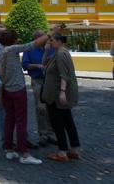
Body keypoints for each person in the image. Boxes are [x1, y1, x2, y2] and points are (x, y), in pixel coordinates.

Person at [0, 28, 56, 165]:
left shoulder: (0, 52)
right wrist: (51, 33)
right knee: (21, 122)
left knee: (9, 120)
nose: (18, 40)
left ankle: (9, 150)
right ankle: (24, 153)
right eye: (16, 38)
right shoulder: (12, 50)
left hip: (6, 90)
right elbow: (33, 44)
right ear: (12, 40)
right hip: (18, 90)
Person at [42, 33, 81, 162]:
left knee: (58, 123)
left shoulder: (60, 54)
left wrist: (62, 91)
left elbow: (64, 75)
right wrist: (47, 51)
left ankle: (62, 152)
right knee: (67, 121)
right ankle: (74, 149)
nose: (50, 42)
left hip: (56, 96)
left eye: (52, 40)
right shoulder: (59, 52)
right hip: (57, 94)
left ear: (59, 41)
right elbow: (44, 66)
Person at [22, 30, 55, 146]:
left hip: (51, 81)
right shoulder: (30, 49)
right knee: (41, 108)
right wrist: (38, 66)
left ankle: (52, 133)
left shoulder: (51, 47)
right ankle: (43, 134)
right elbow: (25, 65)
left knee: (52, 107)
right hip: (38, 80)